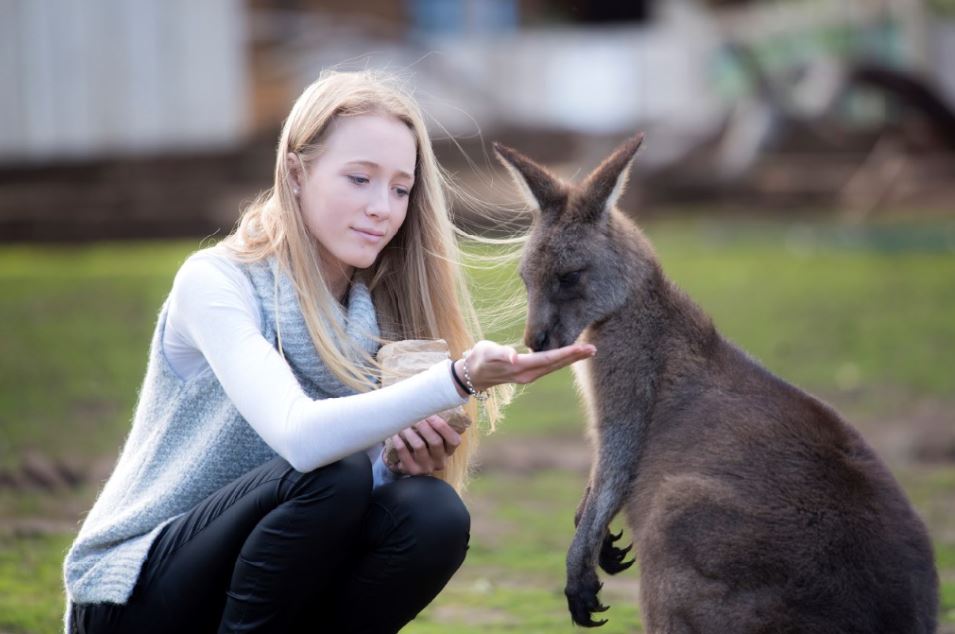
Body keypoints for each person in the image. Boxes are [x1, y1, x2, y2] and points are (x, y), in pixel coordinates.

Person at [62, 69, 595, 634]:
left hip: (253, 591)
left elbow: (327, 512)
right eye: (359, 179)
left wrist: (393, 465)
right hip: (132, 597)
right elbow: (301, 437)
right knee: (330, 473)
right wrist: (458, 378)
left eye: (399, 188)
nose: (382, 208)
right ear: (296, 172)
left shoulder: (382, 317)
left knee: (431, 515)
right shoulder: (217, 283)